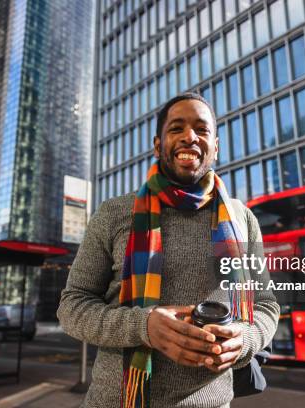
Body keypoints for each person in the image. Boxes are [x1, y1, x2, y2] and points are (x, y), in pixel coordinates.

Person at [58, 93, 280, 407]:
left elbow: (266, 306)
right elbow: (71, 306)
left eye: (202, 130)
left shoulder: (243, 219)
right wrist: (143, 326)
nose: (190, 136)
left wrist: (244, 341)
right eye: (177, 128)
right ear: (158, 145)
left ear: (214, 147)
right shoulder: (114, 213)